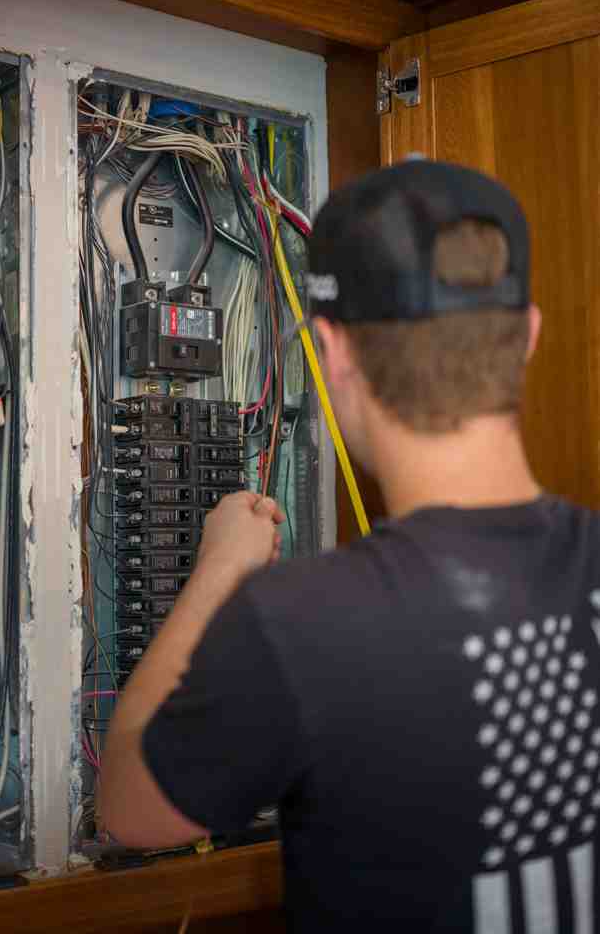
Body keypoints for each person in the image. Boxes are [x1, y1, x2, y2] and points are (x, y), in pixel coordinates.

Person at [100, 161, 600, 932]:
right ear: (528, 334)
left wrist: (218, 574)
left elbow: (131, 809)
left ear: (331, 352)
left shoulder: (299, 622)